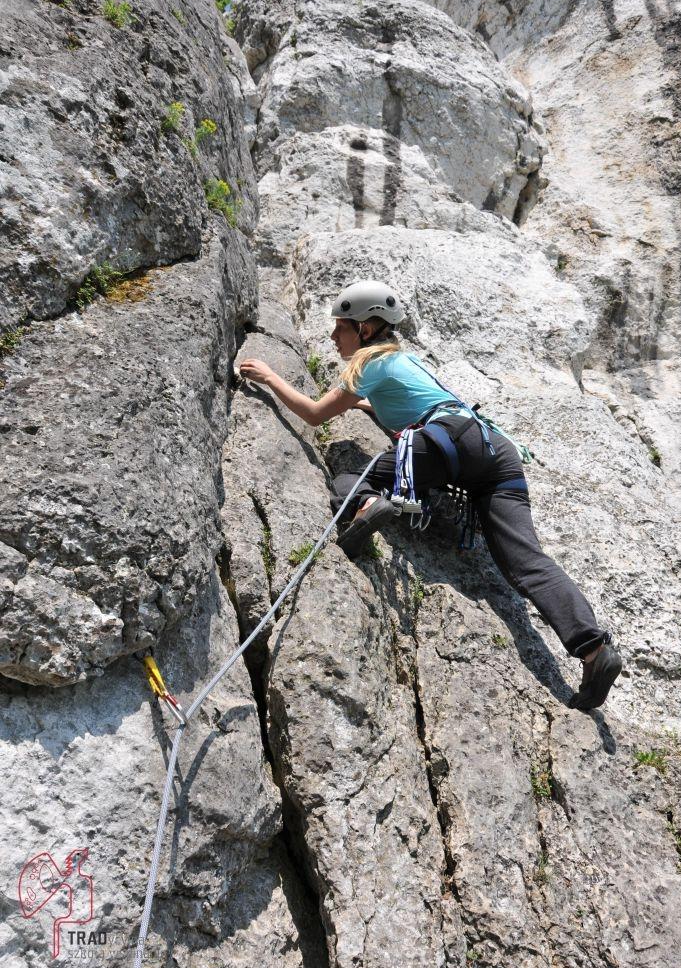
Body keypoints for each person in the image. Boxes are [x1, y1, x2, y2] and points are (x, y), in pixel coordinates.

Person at [238, 280, 622, 711]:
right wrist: (369, 407)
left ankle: (367, 506)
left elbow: (314, 413)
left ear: (365, 329)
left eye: (340, 328)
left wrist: (270, 376)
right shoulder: (404, 362)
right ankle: (593, 649)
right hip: (493, 450)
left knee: (350, 473)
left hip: (444, 441)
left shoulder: (369, 362)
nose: (332, 338)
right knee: (527, 561)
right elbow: (406, 405)